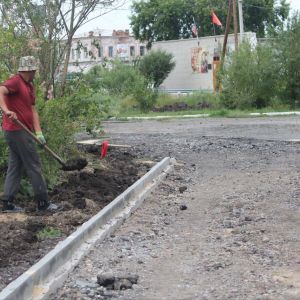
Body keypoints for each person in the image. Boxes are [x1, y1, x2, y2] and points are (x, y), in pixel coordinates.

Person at [0, 56, 58, 212]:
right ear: (27, 70)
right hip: (16, 131)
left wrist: (39, 133)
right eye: (33, 70)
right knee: (34, 164)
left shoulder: (30, 86)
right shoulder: (15, 81)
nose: (35, 73)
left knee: (15, 166)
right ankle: (43, 203)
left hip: (22, 131)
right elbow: (1, 91)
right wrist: (6, 111)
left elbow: (33, 110)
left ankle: (7, 203)